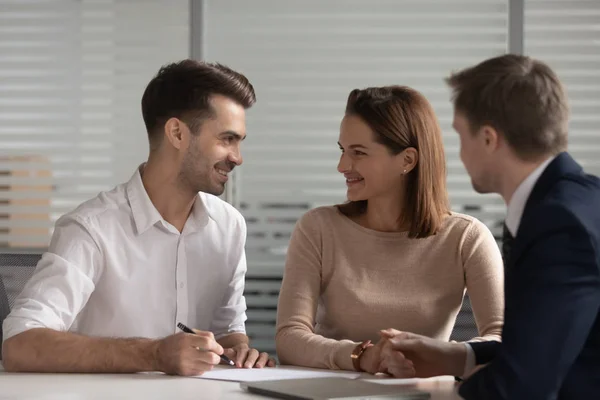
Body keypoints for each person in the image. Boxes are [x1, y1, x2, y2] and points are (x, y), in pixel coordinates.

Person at [2, 60, 275, 375]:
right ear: (177, 133)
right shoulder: (91, 228)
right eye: (227, 139)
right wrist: (155, 354)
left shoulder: (229, 227)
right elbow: (19, 343)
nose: (237, 157)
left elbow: (227, 329)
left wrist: (239, 352)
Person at [380, 55, 600, 399]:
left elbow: (524, 385)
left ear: (488, 139)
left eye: (460, 136)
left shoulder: (560, 225)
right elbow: (547, 344)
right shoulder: (577, 200)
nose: (460, 154)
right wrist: (458, 356)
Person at [275, 85, 504, 375]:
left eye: (358, 152)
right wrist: (365, 357)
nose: (342, 165)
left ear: (407, 160)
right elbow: (289, 338)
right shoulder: (318, 228)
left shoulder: (467, 238)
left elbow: (500, 338)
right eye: (343, 150)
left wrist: (442, 355)